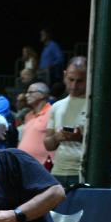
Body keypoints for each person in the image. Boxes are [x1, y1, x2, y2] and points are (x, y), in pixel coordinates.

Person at [43, 56, 88, 187]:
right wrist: (57, 137)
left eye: (80, 81)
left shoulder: (95, 105)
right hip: (58, 171)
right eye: (71, 79)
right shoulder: (57, 106)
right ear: (64, 76)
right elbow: (48, 144)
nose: (74, 85)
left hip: (83, 172)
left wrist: (80, 138)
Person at [17, 82, 53, 167]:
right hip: (23, 164)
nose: (26, 95)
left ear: (42, 95)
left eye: (30, 92)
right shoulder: (28, 115)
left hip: (41, 167)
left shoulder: (52, 113)